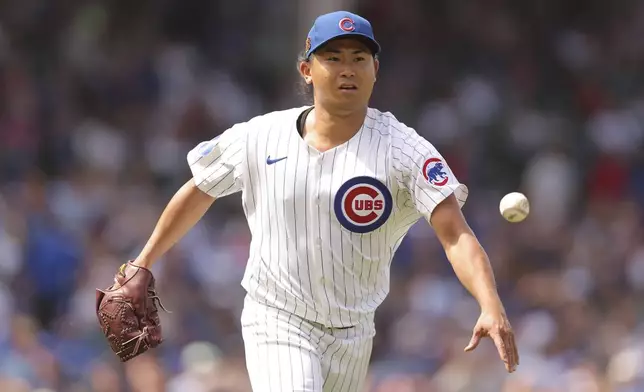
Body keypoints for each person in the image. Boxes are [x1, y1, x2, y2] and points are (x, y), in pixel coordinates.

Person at [124, 10, 519, 392]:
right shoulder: (260, 136)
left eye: (359, 58)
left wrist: (489, 302)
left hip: (354, 331)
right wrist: (143, 260)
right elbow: (200, 189)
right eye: (332, 58)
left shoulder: (404, 151)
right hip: (277, 317)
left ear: (375, 71)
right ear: (307, 70)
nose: (347, 68)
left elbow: (455, 234)